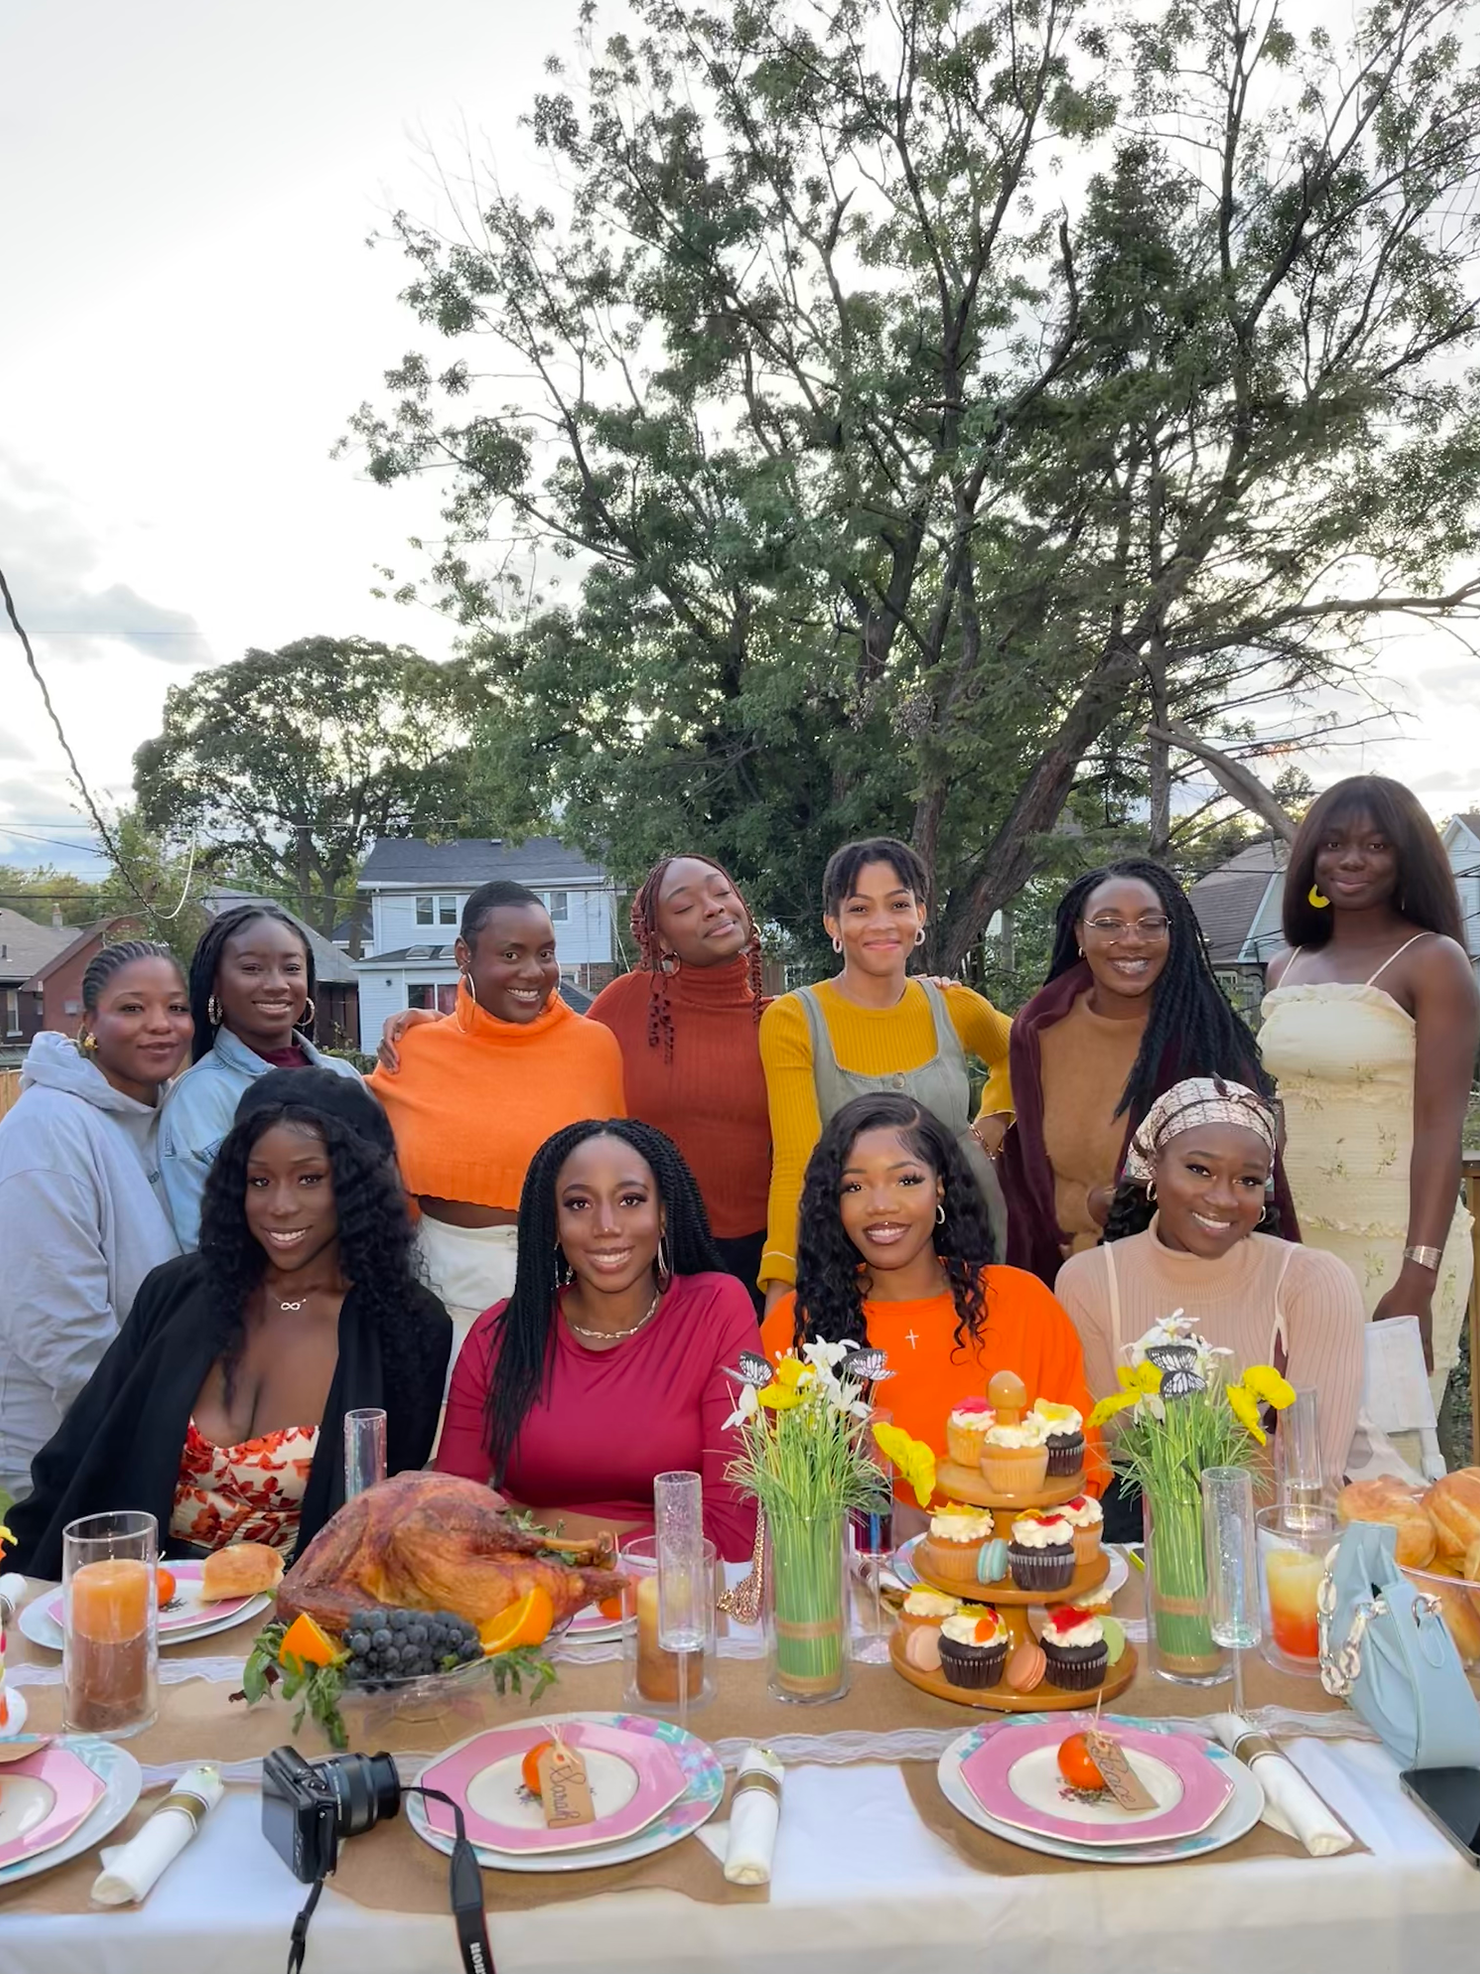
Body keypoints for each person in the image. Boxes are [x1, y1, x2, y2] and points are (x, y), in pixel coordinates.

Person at [8, 1070, 450, 1579]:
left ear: (358, 1186)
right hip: (140, 1603)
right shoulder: (177, 1293)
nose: (280, 1206)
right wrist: (16, 1585)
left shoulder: (407, 1328)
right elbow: (76, 1456)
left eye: (310, 1179)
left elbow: (385, 1517)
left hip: (289, 1628)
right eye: (259, 1181)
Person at [436, 1119, 758, 1561]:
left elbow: (732, 1528)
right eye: (579, 1204)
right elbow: (453, 1522)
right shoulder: (501, 1336)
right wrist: (639, 1534)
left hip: (668, 1608)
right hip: (526, 1604)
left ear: (662, 1214)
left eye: (630, 1200)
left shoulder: (717, 1309)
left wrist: (543, 1533)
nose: (606, 1226)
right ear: (553, 1224)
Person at [1261, 775, 1479, 1420]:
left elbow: (1442, 1127)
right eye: (1333, 843)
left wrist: (1418, 1274)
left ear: (1407, 857)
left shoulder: (1433, 961)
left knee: (1388, 1454)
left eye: (1377, 845)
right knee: (1295, 1444)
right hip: (1295, 1243)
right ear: (1311, 857)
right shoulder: (1285, 964)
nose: (1351, 860)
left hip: (1397, 1245)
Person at [760, 1094, 1101, 1495]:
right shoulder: (795, 1324)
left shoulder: (1022, 1302)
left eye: (906, 1180)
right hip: (864, 1557)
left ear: (939, 1187)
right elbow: (777, 1494)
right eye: (854, 1186)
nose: (881, 1205)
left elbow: (1085, 1466)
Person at [995, 858, 1296, 1285]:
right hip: (1069, 1279)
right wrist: (1087, 1210)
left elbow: (1254, 1176)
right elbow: (1028, 1174)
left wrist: (1135, 1205)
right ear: (1079, 933)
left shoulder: (1203, 1037)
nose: (1131, 940)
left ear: (1172, 933)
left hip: (1193, 1276)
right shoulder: (1041, 1027)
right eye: (1109, 923)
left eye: (1150, 924)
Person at [1056, 1077, 1364, 1491]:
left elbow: (1310, 1480)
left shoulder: (1313, 1283)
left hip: (1276, 1546)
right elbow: (1103, 1463)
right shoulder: (1090, 1282)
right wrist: (1255, 1449)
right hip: (1137, 1543)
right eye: (1199, 1170)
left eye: (1248, 1181)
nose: (1223, 1199)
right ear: (1152, 1166)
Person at [369, 881, 626, 1353]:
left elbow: (620, 1177)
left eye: (545, 953)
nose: (533, 972)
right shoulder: (416, 1049)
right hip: (442, 1303)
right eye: (511, 955)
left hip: (569, 1300)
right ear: (463, 955)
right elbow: (360, 1155)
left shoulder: (594, 1047)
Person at [759, 837, 1012, 1310]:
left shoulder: (956, 1006)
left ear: (920, 915)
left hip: (969, 1237)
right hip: (854, 1249)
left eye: (898, 904)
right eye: (859, 908)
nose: (881, 923)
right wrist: (782, 1277)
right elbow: (797, 1162)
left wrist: (994, 1122)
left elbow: (1027, 1051)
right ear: (832, 924)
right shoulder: (794, 1019)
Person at [0, 942, 193, 1503]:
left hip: (156, 1434)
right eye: (132, 1008)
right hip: (70, 1451)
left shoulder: (172, 1113)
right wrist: (146, 1434)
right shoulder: (48, 1129)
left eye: (176, 1008)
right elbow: (57, 1325)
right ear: (90, 1023)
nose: (160, 1026)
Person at [585, 855, 770, 1310]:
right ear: (661, 938)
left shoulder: (784, 1018)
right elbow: (546, 1044)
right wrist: (434, 1022)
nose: (712, 908)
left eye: (721, 892)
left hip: (766, 1258)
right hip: (655, 1257)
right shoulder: (629, 1001)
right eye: (685, 906)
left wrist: (929, 991)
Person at [160, 904, 359, 1248]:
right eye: (252, 968)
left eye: (292, 968)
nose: (277, 984)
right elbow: (203, 1243)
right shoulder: (200, 1098)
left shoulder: (343, 1075)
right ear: (216, 984)